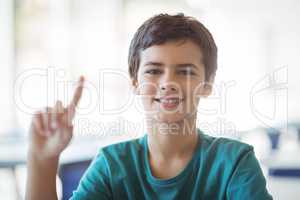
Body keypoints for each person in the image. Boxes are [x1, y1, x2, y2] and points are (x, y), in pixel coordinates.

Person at [25, 13, 273, 200]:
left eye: (185, 72)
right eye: (154, 71)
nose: (168, 83)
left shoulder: (234, 163)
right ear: (135, 82)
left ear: (207, 84)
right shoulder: (112, 166)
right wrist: (43, 160)